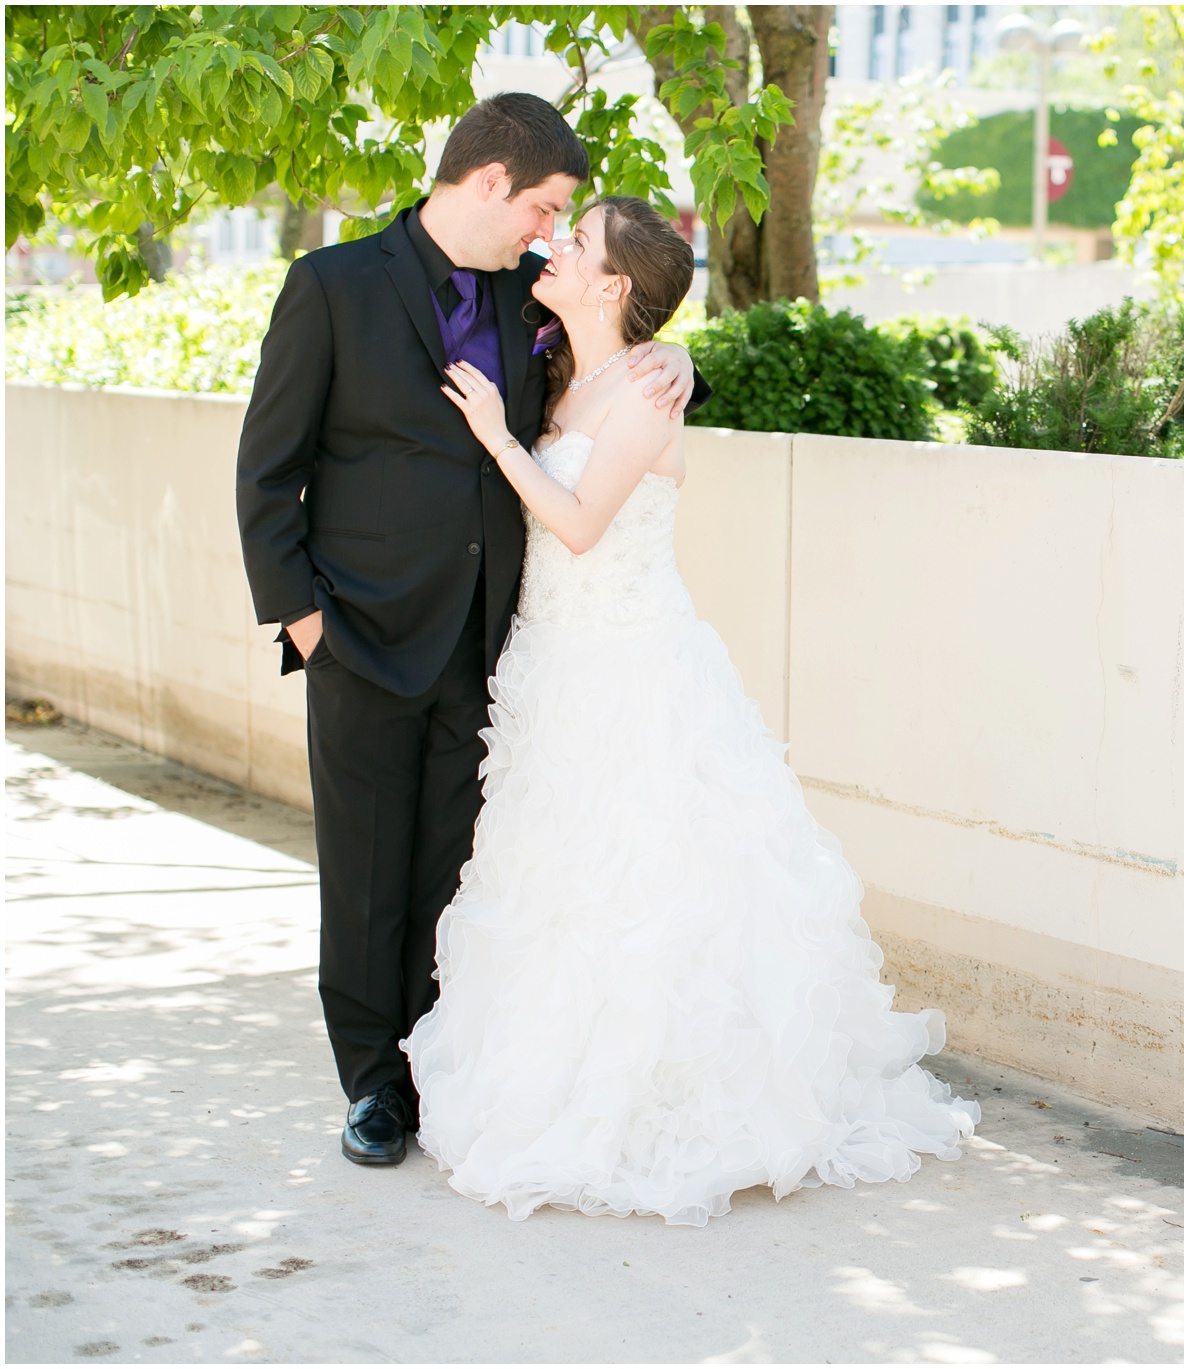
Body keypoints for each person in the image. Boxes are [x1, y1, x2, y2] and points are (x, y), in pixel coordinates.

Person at [410, 194, 979, 1225]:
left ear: (615, 286)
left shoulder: (643, 390)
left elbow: (579, 524)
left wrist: (499, 438)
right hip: (554, 663)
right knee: (562, 881)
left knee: (652, 882)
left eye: (575, 243)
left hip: (632, 664)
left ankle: (668, 1097)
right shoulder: (568, 369)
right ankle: (552, 1072)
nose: (554, 246)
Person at [235, 94, 701, 1167]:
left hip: (489, 646)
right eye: (540, 207)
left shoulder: (519, 299)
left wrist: (681, 364)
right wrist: (305, 621)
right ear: (489, 182)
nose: (546, 231)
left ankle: (434, 1068)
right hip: (356, 634)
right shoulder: (332, 286)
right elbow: (267, 474)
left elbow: (603, 369)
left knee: (453, 875)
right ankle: (369, 1088)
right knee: (363, 876)